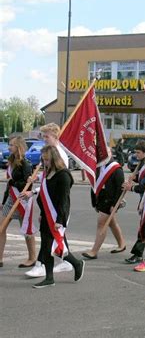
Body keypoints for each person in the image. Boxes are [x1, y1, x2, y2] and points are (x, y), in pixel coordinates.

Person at [20, 145, 84, 288]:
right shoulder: (47, 172)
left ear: (54, 159)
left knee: (55, 246)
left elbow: (63, 201)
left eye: (47, 160)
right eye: (43, 160)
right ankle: (50, 278)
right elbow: (43, 195)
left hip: (57, 216)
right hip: (47, 215)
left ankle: (76, 263)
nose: (45, 163)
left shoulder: (63, 175)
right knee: (47, 246)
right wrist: (42, 214)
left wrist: (59, 221)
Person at [26, 123, 73, 277]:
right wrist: (37, 178)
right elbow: (48, 176)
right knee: (56, 235)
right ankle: (68, 262)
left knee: (48, 236)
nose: (44, 139)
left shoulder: (59, 155)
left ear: (55, 136)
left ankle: (41, 265)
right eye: (43, 136)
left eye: (47, 136)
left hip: (56, 203)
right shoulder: (48, 152)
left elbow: (58, 181)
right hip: (48, 200)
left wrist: (35, 191)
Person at [82, 147, 126, 259]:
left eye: (105, 153)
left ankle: (94, 251)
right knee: (111, 222)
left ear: (110, 154)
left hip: (110, 201)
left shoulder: (116, 168)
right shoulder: (97, 167)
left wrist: (115, 205)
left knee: (101, 223)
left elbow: (120, 189)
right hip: (100, 199)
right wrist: (94, 202)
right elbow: (94, 185)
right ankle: (122, 244)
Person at [0, 137, 35, 268]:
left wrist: (13, 183)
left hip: (22, 200)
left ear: (18, 147)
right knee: (1, 228)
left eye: (11, 145)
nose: (9, 147)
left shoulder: (25, 163)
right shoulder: (11, 161)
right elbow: (9, 185)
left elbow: (28, 185)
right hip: (10, 199)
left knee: (27, 229)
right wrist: (3, 202)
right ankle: (0, 258)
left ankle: (32, 258)